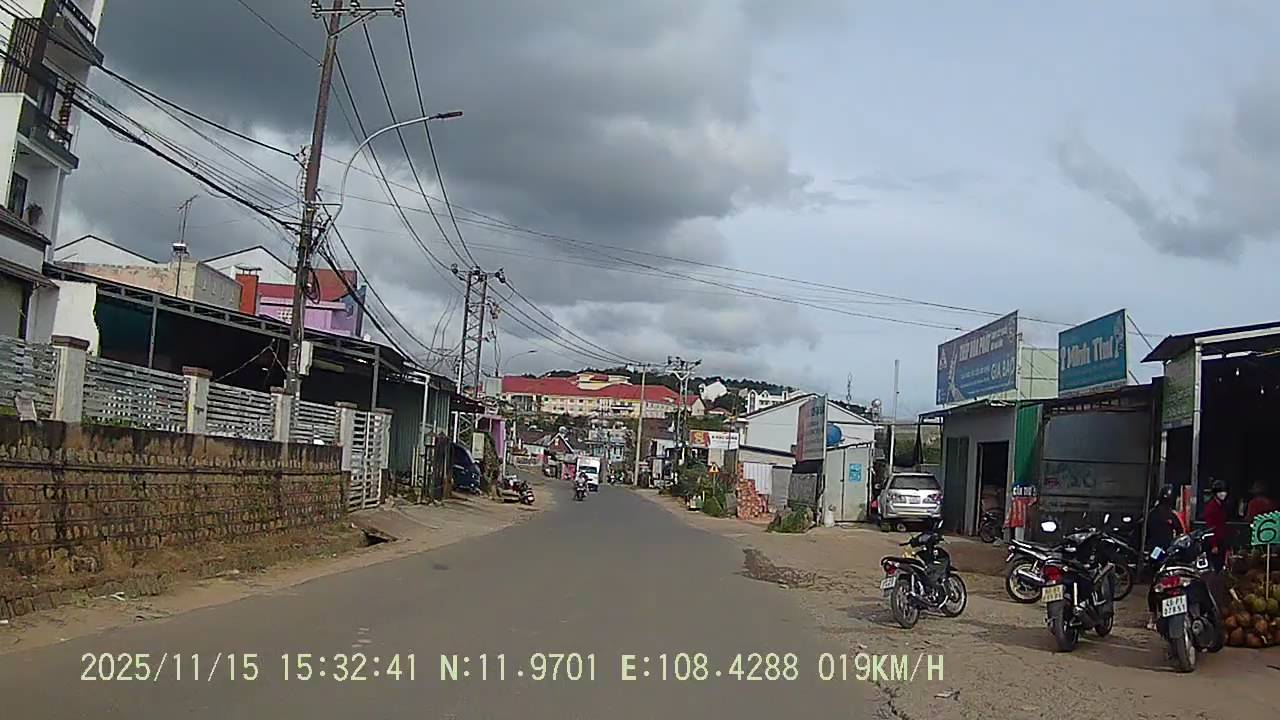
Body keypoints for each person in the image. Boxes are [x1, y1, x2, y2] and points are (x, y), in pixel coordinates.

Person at [1203, 479, 1230, 572]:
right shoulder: (1211, 507)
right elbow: (1210, 527)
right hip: (1215, 541)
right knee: (1216, 566)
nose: (1223, 494)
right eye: (1220, 492)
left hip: (1221, 539)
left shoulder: (1222, 505)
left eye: (1224, 491)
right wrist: (1214, 545)